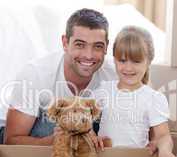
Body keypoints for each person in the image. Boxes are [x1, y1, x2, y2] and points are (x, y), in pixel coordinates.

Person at [3, 8, 117, 145]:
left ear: (106, 47)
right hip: (43, 140)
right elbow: (11, 141)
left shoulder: (117, 75)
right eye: (80, 45)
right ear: (65, 43)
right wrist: (56, 141)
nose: (88, 55)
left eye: (97, 46)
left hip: (90, 144)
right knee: (57, 121)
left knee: (106, 121)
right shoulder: (35, 73)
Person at [93, 25, 177, 157]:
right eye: (123, 60)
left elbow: (163, 136)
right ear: (114, 59)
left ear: (148, 61)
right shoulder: (104, 89)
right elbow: (82, 117)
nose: (128, 68)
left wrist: (164, 149)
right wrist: (91, 136)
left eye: (136, 61)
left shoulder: (153, 98)